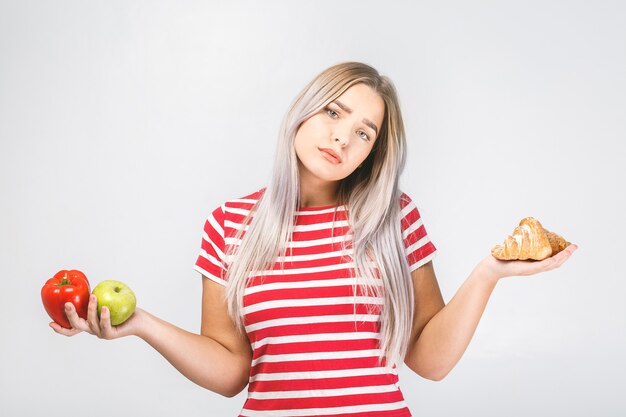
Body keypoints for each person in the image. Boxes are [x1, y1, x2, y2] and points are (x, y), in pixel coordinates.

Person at [52, 61, 578, 416]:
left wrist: (490, 273)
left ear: (373, 151)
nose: (342, 138)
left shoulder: (394, 218)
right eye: (334, 113)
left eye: (364, 132)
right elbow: (232, 369)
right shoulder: (229, 224)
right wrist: (140, 323)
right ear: (305, 110)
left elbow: (429, 361)